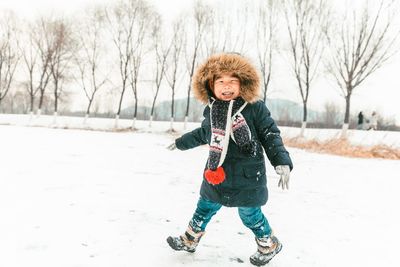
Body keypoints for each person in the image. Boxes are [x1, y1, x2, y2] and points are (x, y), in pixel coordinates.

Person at [166, 53, 293, 266]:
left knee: (250, 215)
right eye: (221, 81)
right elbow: (203, 133)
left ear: (243, 83)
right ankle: (189, 240)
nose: (227, 86)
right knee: (204, 207)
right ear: (210, 85)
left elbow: (270, 134)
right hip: (217, 174)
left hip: (248, 176)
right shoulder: (213, 110)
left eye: (232, 81)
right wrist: (181, 142)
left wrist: (281, 160)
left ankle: (268, 244)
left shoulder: (254, 108)